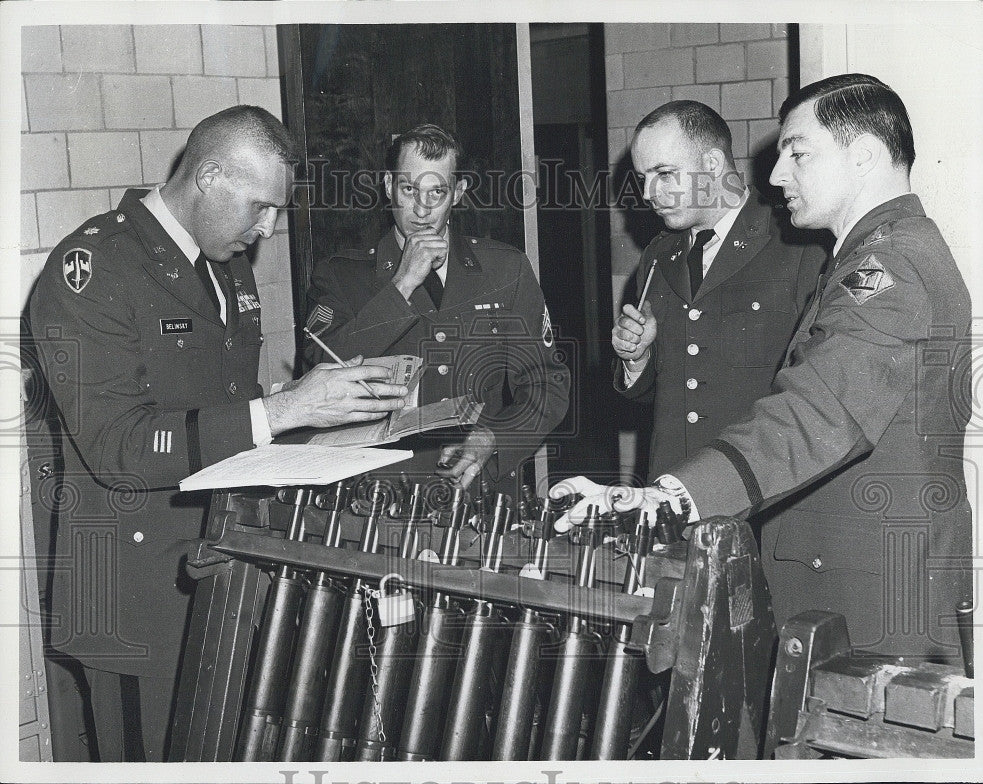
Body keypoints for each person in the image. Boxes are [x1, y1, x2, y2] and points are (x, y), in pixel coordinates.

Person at [28, 105, 409, 761]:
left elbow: (220, 408)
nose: (267, 230)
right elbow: (118, 446)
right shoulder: (93, 268)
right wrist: (283, 413)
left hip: (220, 577)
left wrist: (316, 407)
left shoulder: (221, 265)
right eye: (260, 207)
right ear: (208, 176)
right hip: (133, 604)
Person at [557, 74, 973, 662]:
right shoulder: (872, 255)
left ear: (864, 157)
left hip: (878, 593)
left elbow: (819, 412)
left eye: (798, 154)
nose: (776, 176)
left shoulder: (892, 264)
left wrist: (671, 499)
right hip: (842, 575)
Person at [304, 123, 571, 493]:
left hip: (479, 487)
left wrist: (494, 439)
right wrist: (401, 285)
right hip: (379, 494)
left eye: (437, 192)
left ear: (458, 193)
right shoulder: (341, 275)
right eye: (409, 189)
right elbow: (319, 368)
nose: (422, 209)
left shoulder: (505, 269)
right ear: (387, 186)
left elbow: (546, 384)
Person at [612, 100, 827, 479]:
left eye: (663, 173)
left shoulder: (797, 243)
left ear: (712, 165)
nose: (647, 193)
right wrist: (638, 357)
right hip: (673, 488)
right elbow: (661, 394)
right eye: (643, 177)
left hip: (761, 488)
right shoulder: (659, 255)